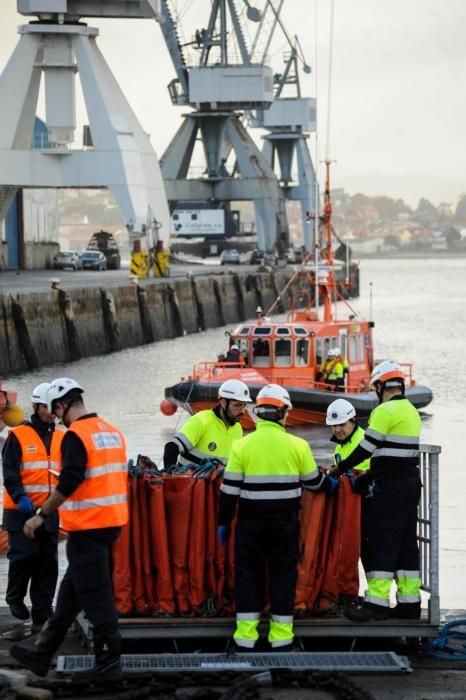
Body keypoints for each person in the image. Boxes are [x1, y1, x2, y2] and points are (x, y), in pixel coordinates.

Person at [10, 377, 128, 682]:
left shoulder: (76, 435)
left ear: (62, 405)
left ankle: (108, 663)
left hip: (87, 528)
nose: (57, 417)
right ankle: (42, 653)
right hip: (111, 524)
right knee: (69, 597)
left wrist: (40, 515)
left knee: (98, 599)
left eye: (56, 410)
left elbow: (70, 479)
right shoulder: (110, 432)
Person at [218, 384, 337, 651]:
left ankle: (245, 640)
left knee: (248, 577)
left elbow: (229, 491)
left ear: (258, 414)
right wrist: (329, 485)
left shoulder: (241, 446)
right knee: (283, 577)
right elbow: (313, 482)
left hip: (250, 524)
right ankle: (281, 640)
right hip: (285, 524)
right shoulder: (298, 445)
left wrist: (224, 523)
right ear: (283, 413)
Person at [329, 361, 423, 622]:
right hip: (409, 482)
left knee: (382, 540)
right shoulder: (411, 411)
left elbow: (366, 448)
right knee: (406, 544)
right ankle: (410, 603)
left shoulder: (384, 411)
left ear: (382, 386)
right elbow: (396, 456)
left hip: (391, 488)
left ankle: (376, 604)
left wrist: (339, 469)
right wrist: (368, 475)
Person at [1, 383, 63, 628]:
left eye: (55, 406)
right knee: (24, 556)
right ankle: (14, 597)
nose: (52, 411)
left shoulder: (62, 436)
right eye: (47, 406)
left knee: (48, 561)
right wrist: (20, 498)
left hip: (49, 510)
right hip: (20, 510)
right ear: (36, 406)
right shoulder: (17, 435)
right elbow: (10, 474)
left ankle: (43, 609)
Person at [163, 379, 251, 469]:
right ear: (223, 403)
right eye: (238, 405)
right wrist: (170, 472)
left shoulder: (238, 429)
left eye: (244, 405)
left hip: (217, 482)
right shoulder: (201, 420)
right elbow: (172, 447)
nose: (243, 411)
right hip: (190, 481)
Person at [326, 398, 371, 572]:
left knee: (369, 550)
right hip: (351, 506)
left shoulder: (364, 441)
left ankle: (376, 594)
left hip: (367, 503)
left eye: (341, 424)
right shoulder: (339, 447)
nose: (337, 429)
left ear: (353, 420)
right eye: (333, 425)